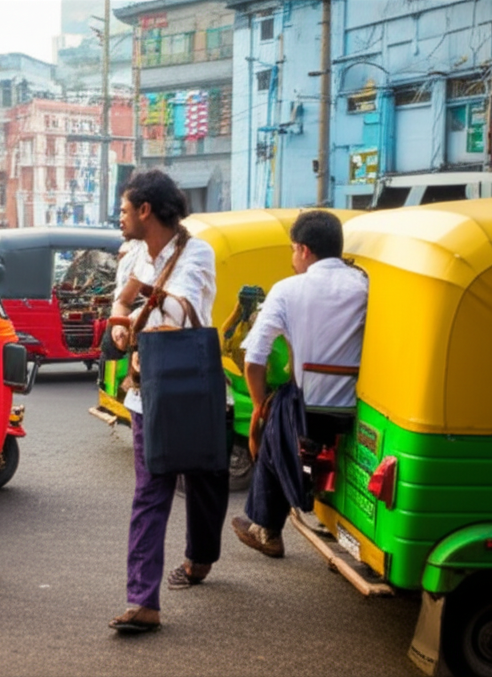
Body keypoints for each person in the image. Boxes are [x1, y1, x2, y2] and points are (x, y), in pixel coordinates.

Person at [107, 169, 229, 633]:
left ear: (145, 211)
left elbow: (180, 312)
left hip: (191, 391)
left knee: (204, 481)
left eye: (124, 209)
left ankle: (200, 559)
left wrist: (137, 313)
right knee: (151, 494)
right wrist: (122, 323)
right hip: (149, 395)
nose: (119, 218)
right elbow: (121, 304)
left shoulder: (196, 253)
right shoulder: (137, 254)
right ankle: (143, 601)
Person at [231, 210, 368, 558]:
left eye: (293, 250)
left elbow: (254, 359)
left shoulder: (288, 289)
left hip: (306, 411)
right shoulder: (364, 284)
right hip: (356, 406)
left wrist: (261, 406)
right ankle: (266, 526)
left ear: (304, 249)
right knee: (278, 417)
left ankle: (266, 528)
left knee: (274, 419)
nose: (292, 259)